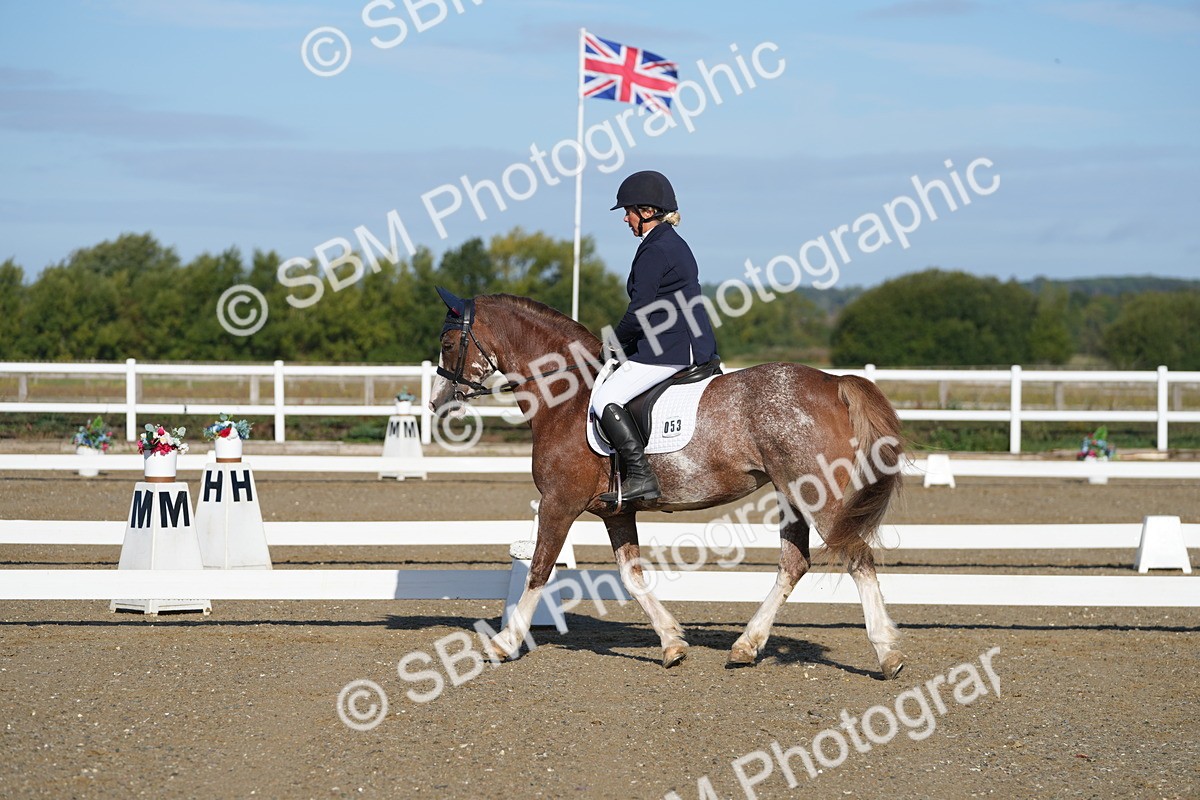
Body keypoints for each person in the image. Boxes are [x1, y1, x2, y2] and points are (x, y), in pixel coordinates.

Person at [592, 170, 718, 503]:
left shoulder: (656, 249)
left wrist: (610, 345)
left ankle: (641, 477)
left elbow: (639, 312)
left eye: (628, 210)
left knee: (606, 398)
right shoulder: (668, 243)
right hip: (682, 341)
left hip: (671, 349)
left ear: (647, 212)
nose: (625, 218)